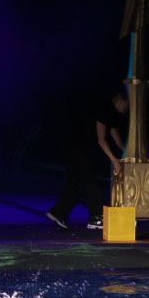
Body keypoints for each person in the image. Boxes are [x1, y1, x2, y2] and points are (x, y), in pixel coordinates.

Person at [46, 89, 129, 231]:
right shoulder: (105, 108)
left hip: (83, 150)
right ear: (120, 100)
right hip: (77, 148)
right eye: (126, 105)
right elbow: (101, 140)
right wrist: (114, 160)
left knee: (77, 184)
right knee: (90, 181)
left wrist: (127, 152)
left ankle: (58, 212)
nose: (127, 109)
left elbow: (115, 137)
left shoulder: (113, 114)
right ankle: (96, 217)